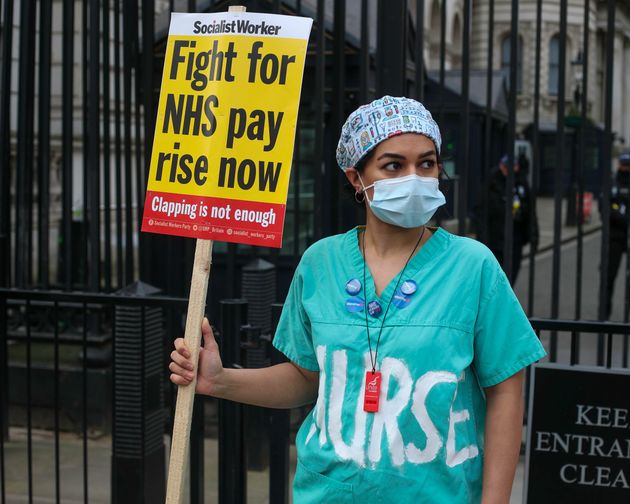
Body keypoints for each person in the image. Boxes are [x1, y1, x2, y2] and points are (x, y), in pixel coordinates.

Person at [170, 96, 546, 503]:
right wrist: (220, 380)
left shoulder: (474, 267)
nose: (415, 177)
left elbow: (506, 391)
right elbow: (306, 379)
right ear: (356, 178)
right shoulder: (320, 263)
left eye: (427, 163)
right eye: (393, 165)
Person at [485, 154, 538, 285]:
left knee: (511, 275)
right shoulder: (492, 182)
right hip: (495, 239)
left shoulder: (522, 183)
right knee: (496, 276)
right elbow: (483, 211)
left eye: (513, 167)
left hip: (516, 238)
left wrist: (534, 236)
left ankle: (505, 299)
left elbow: (531, 211)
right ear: (501, 166)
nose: (509, 170)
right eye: (506, 167)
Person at [604, 151, 630, 318]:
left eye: (628, 165)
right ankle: (604, 313)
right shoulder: (612, 183)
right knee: (609, 276)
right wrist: (621, 216)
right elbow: (605, 208)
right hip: (614, 236)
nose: (626, 168)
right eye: (624, 164)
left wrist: (618, 210)